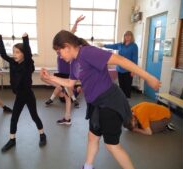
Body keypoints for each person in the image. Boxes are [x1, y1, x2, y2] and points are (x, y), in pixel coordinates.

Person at [40, 30, 161, 169]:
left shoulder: (87, 52)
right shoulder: (74, 63)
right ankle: (88, 166)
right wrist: (51, 78)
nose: (59, 56)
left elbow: (121, 60)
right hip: (96, 104)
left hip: (110, 102)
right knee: (92, 137)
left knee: (112, 145)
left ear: (67, 46)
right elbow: (70, 83)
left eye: (58, 52)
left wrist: (149, 77)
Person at [0, 33, 47, 152]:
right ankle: (12, 140)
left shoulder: (27, 63)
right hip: (19, 96)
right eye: (14, 52)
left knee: (34, 116)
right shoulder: (13, 63)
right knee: (14, 118)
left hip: (28, 95)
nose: (14, 54)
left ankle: (42, 135)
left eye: (18, 52)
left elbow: (28, 53)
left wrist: (25, 39)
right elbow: (3, 54)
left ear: (24, 54)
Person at [42, 15, 85, 125]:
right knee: (60, 90)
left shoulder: (67, 50)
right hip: (61, 74)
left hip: (67, 75)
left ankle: (68, 116)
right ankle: (67, 115)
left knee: (67, 95)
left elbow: (71, 34)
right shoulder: (59, 51)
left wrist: (76, 22)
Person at [98, 31, 138, 98]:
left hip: (128, 70)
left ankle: (126, 103)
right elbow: (112, 46)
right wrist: (103, 45)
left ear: (132, 37)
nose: (127, 37)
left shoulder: (134, 46)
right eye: (126, 35)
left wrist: (134, 70)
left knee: (127, 87)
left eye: (129, 35)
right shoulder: (120, 44)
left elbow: (135, 59)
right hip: (120, 69)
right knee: (121, 87)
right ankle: (122, 101)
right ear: (124, 36)